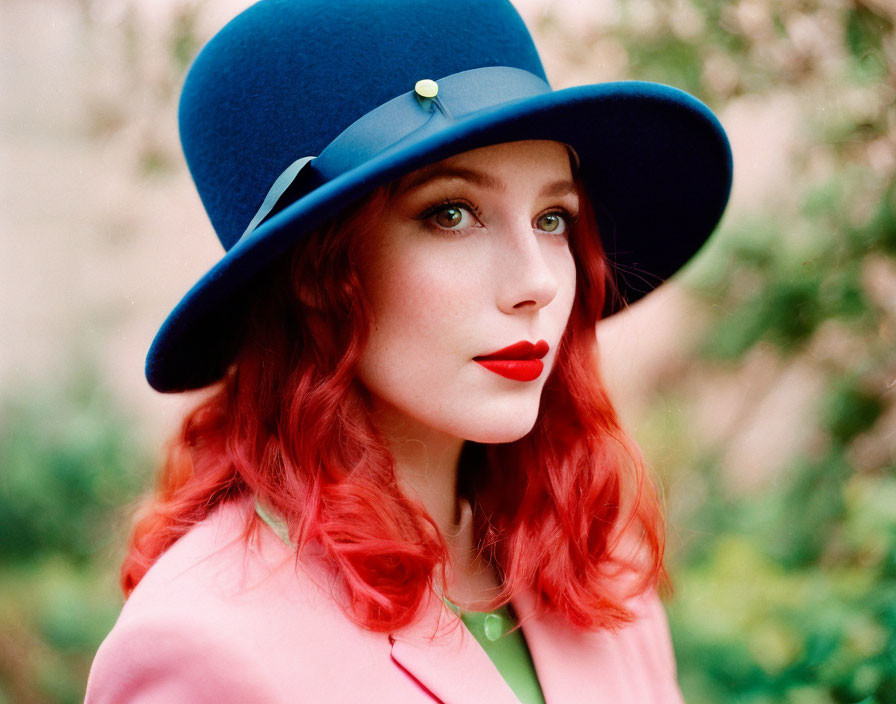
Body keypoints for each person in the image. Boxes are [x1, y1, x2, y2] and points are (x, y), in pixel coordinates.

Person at [85, 0, 732, 701]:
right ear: (314, 275)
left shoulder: (595, 564)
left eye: (553, 218)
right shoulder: (204, 646)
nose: (537, 281)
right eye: (450, 213)